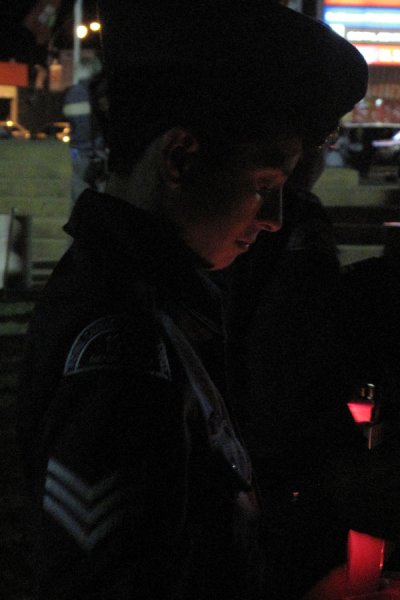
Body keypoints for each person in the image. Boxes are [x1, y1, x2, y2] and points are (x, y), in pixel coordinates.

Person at [16, 2, 368, 599]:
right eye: (264, 185)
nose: (275, 219)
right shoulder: (122, 341)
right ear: (179, 158)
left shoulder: (158, 300)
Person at [63, 55, 108, 206]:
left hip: (78, 152)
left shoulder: (74, 93)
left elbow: (78, 124)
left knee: (78, 189)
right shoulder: (102, 92)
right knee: (102, 192)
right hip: (100, 153)